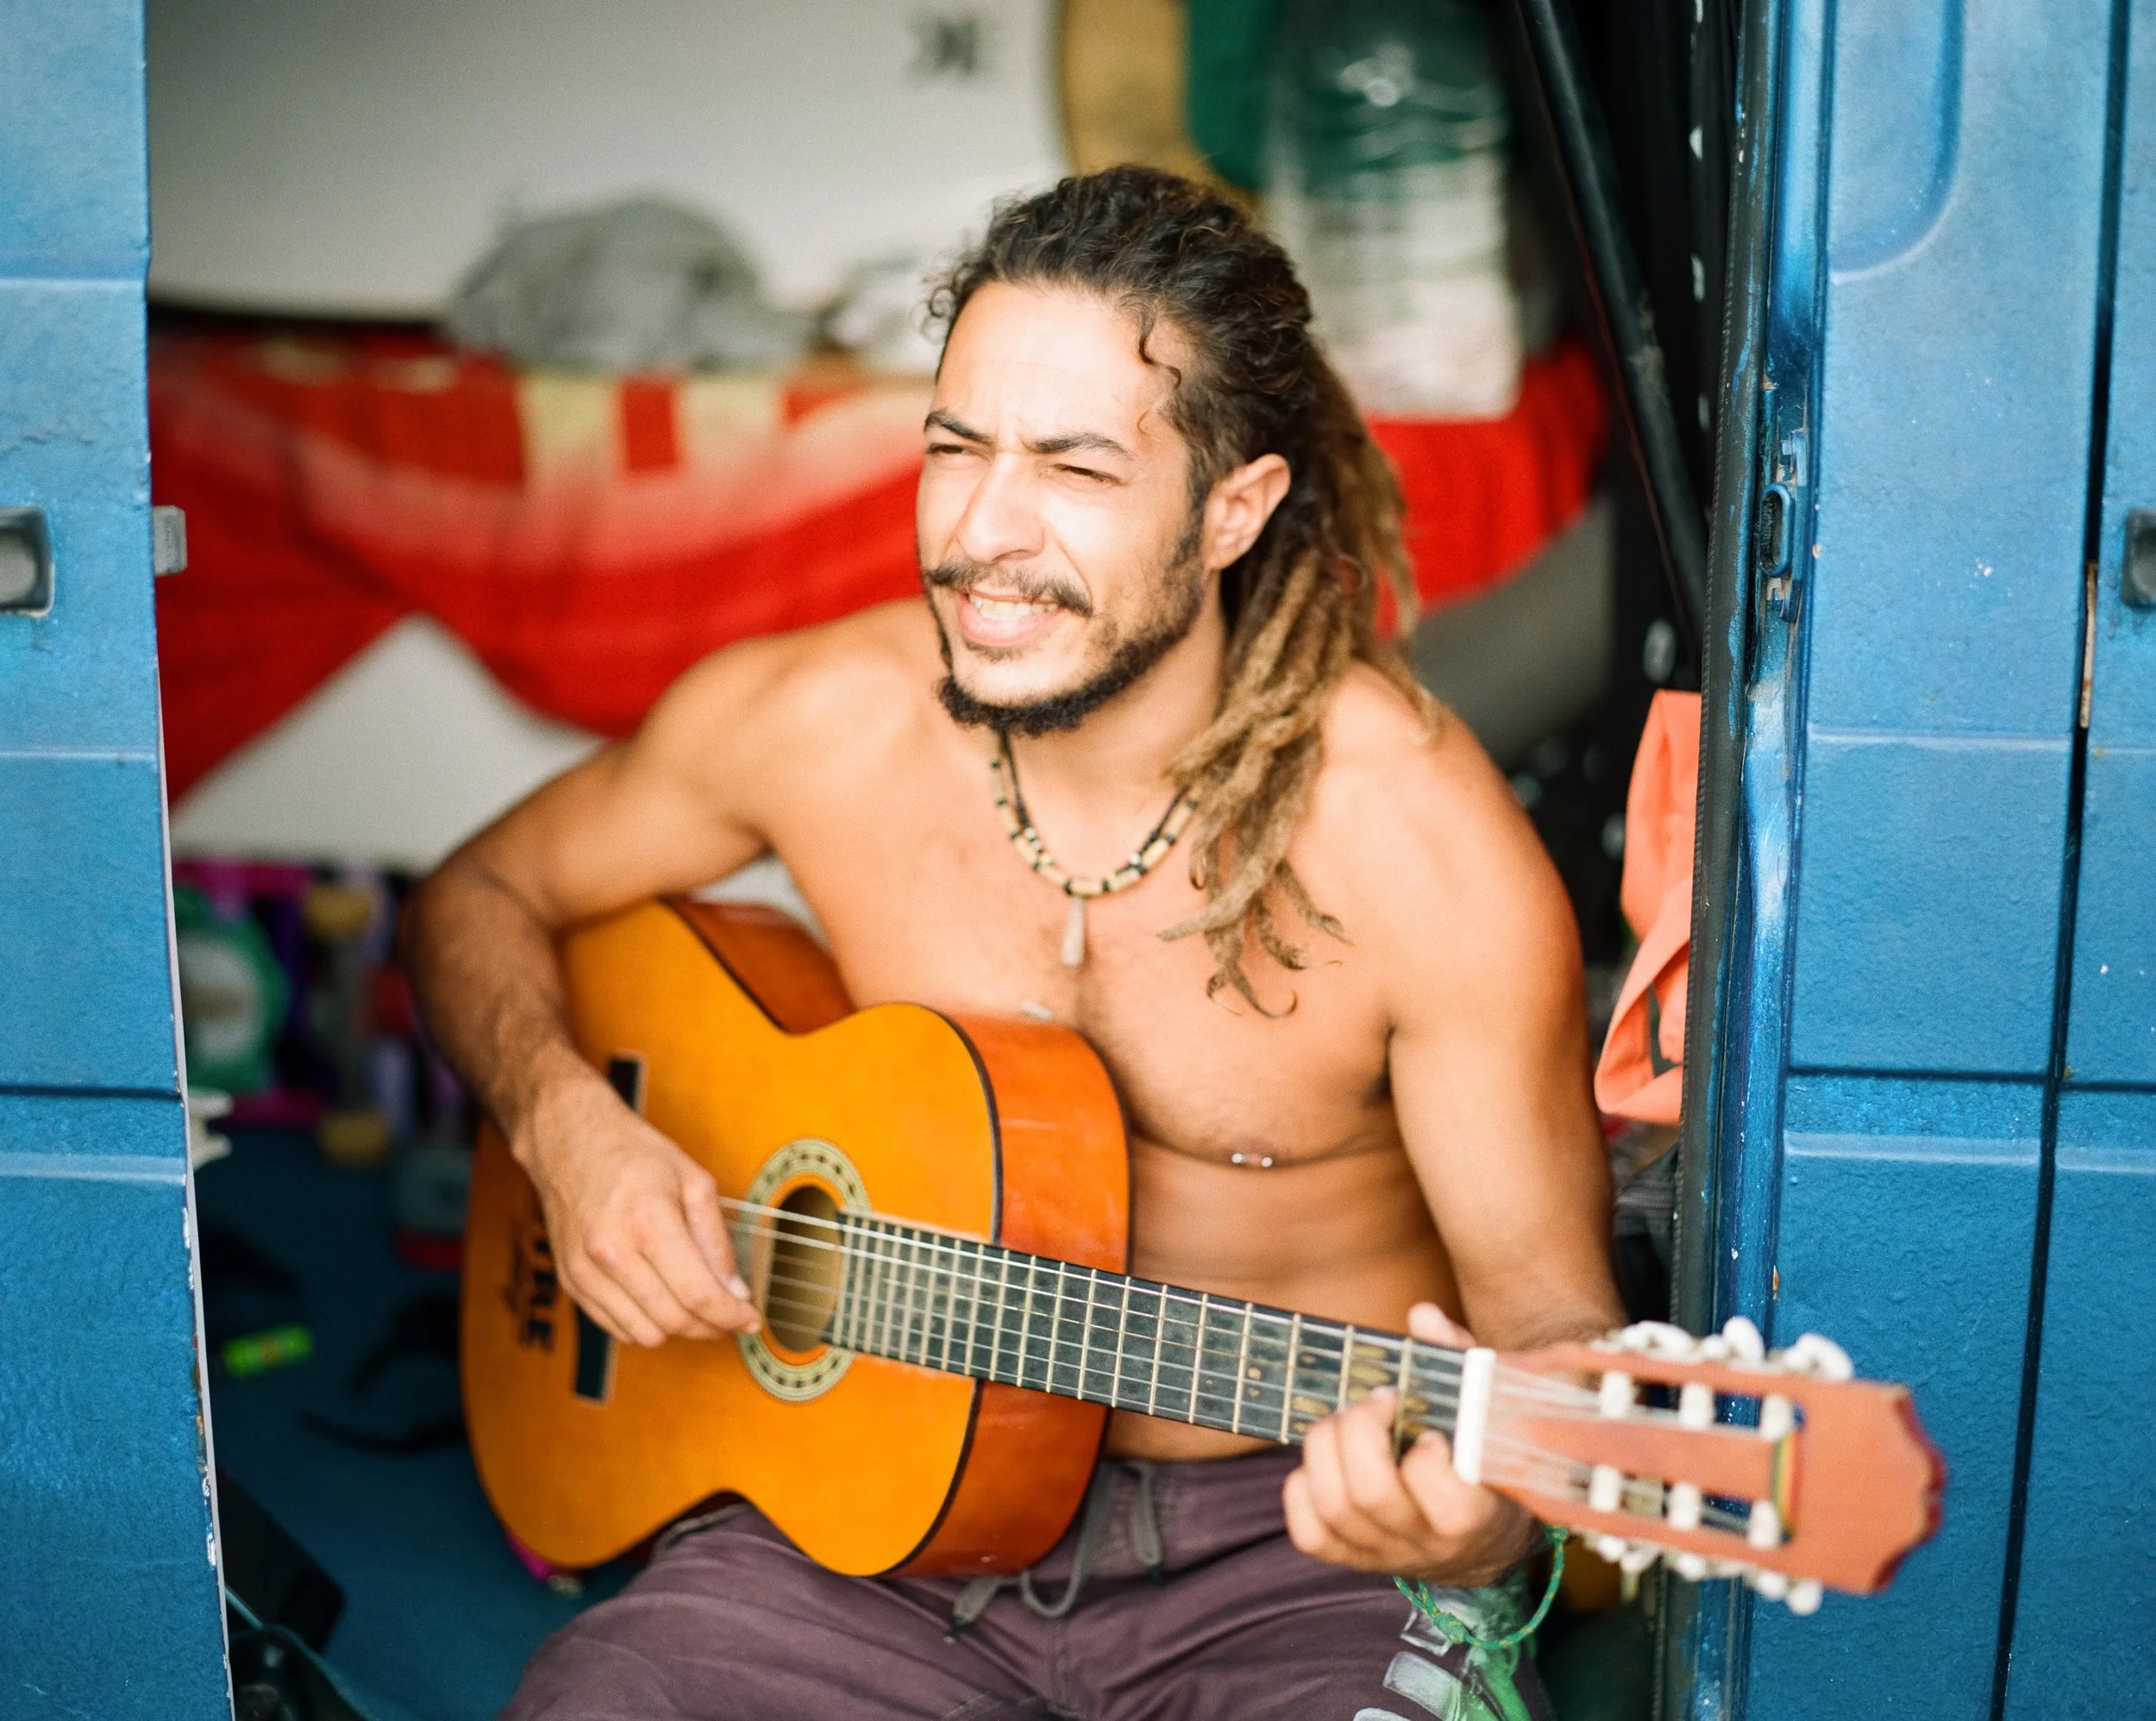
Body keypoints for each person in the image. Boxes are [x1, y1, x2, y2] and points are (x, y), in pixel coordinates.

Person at [410, 166, 1624, 1721]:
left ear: (1231, 510)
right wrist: (570, 1129)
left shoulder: (1417, 849)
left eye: (1074, 469)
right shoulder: (826, 723)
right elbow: (477, 896)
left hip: (1291, 1564)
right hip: (871, 1529)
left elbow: (1553, 1336)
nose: (985, 531)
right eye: (956, 448)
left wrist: (1478, 1520)